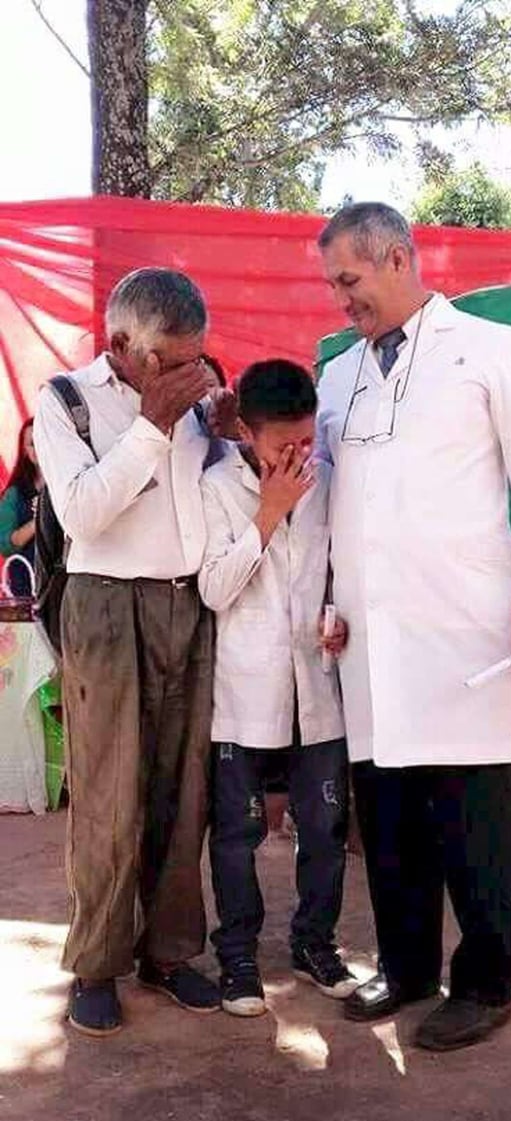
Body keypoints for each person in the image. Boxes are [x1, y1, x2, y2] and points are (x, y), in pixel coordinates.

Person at [316, 202, 511, 1052]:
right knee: (388, 824)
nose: (341, 301)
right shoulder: (337, 376)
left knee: (473, 830)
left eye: (349, 281)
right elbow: (326, 505)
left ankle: (484, 984)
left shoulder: (489, 349)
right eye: (334, 286)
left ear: (398, 258)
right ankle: (403, 968)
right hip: (366, 640)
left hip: (461, 634)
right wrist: (328, 600)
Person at [34, 267, 230, 1037]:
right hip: (107, 605)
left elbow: (202, 497)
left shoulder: (192, 401)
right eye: (172, 360)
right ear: (121, 344)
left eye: (196, 358)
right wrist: (153, 425)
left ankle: (171, 953)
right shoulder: (66, 402)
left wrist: (226, 431)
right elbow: (82, 512)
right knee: (110, 792)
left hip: (187, 603)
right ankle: (96, 962)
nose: (189, 373)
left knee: (186, 792)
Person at [199, 359, 357, 1016]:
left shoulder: (326, 482)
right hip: (243, 695)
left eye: (304, 441)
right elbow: (213, 588)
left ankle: (313, 942)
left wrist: (338, 618)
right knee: (237, 833)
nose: (297, 456)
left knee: (324, 828)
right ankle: (237, 954)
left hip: (315, 689)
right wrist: (267, 514)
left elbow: (336, 573)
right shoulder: (216, 487)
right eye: (280, 446)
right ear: (245, 431)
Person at [0, 418, 42, 597]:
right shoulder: (15, 494)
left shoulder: (70, 482)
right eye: (32, 444)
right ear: (25, 451)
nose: (39, 447)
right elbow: (5, 545)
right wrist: (39, 520)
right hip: (28, 584)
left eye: (43, 439)